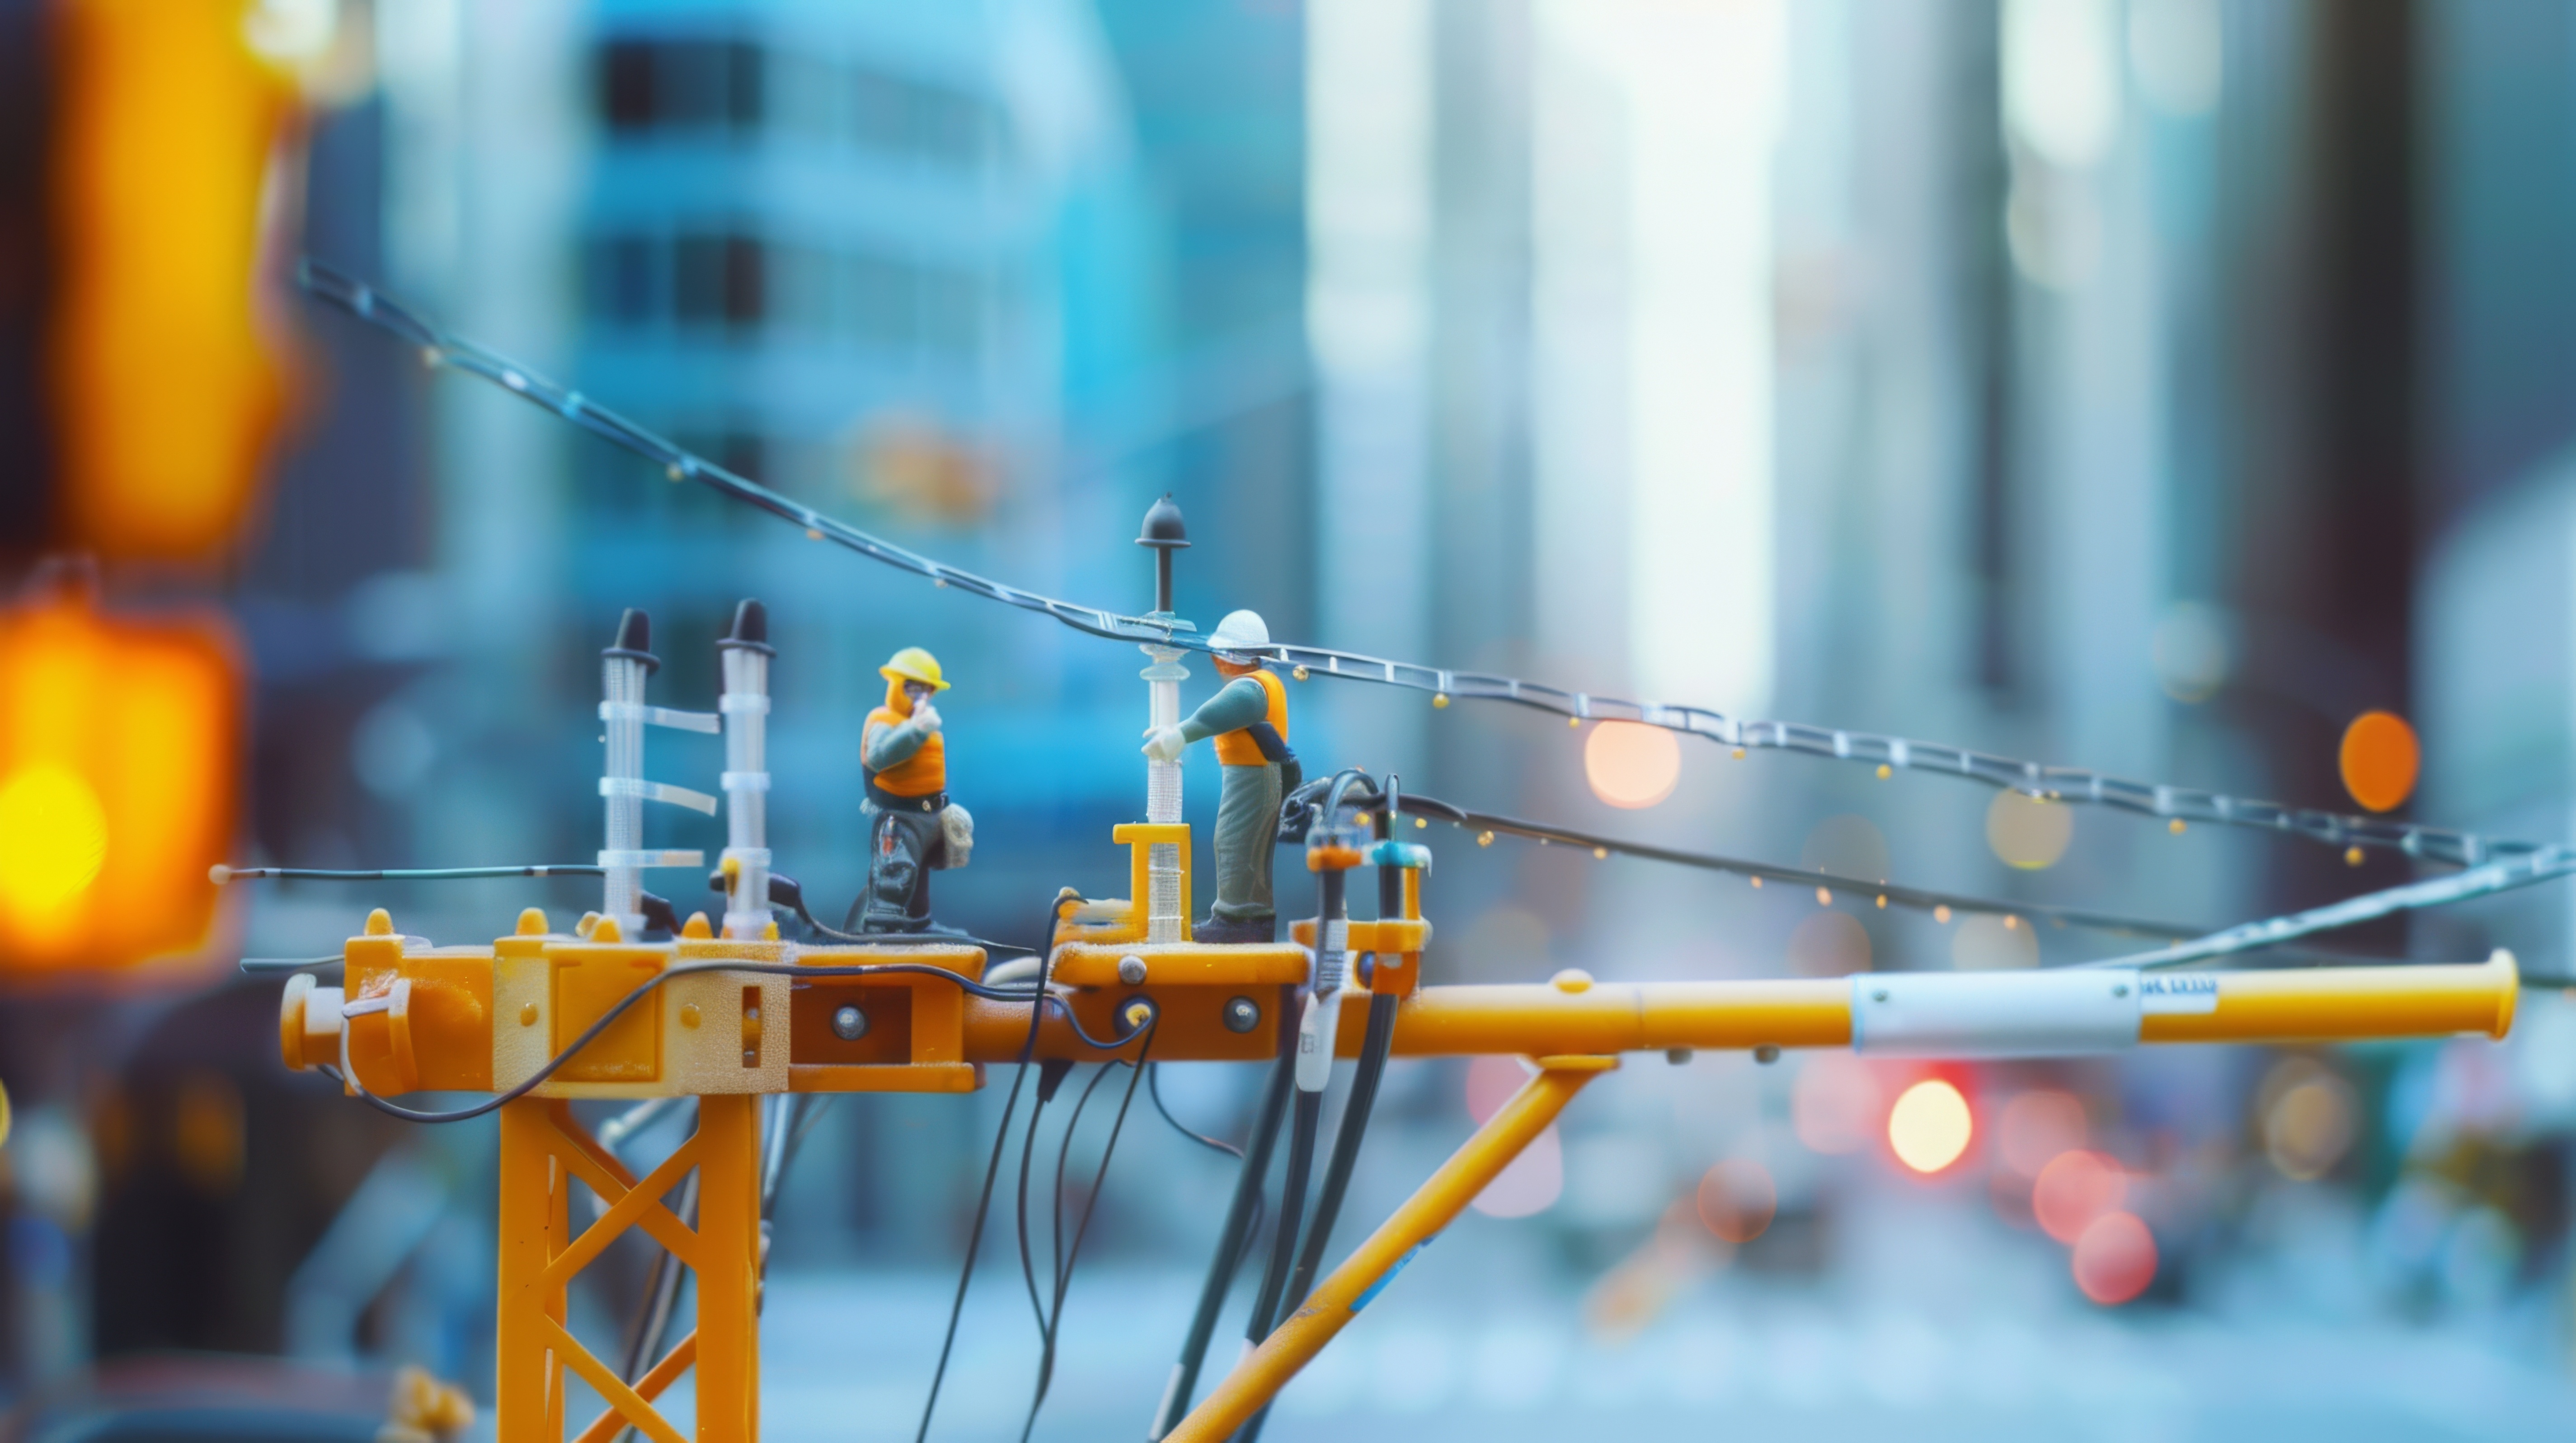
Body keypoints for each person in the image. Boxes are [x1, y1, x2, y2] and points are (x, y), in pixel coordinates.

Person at [1142, 610, 1294, 944]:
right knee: (1234, 841)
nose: (1213, 660)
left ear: (1231, 656)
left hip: (1255, 778)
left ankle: (1242, 919)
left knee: (1238, 841)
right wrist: (1176, 732)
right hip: (1252, 775)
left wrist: (1179, 735)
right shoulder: (1262, 684)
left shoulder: (1253, 689)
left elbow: (1218, 713)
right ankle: (1239, 916)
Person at [857, 646, 965, 933]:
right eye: (913, 688)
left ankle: (919, 924)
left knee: (920, 873)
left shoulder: (922, 723)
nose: (920, 696)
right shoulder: (884, 720)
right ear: (896, 685)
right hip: (900, 816)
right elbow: (879, 756)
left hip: (928, 813)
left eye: (926, 691)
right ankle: (884, 927)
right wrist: (916, 730)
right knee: (895, 870)